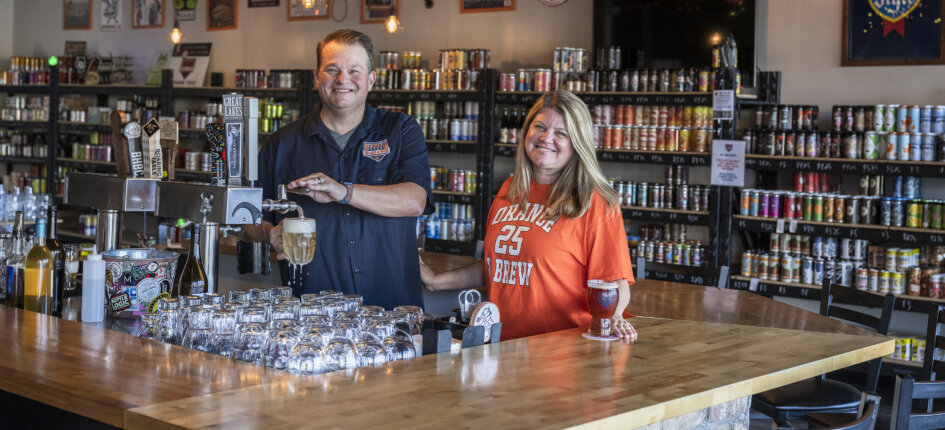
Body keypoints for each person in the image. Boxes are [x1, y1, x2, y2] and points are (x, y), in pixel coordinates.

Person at [420, 90, 636, 343]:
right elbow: (499, 265)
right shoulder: (509, 191)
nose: (546, 138)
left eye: (561, 133)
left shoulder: (594, 202)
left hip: (563, 353)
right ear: (526, 132)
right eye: (540, 127)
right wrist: (434, 280)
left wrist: (616, 315)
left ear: (578, 143)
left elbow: (613, 283)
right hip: (504, 347)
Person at [245, 29, 435, 310]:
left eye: (354, 71)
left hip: (392, 312)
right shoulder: (282, 143)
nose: (343, 79)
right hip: (312, 313)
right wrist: (269, 233)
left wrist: (343, 191)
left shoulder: (401, 130)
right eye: (332, 69)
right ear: (317, 77)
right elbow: (246, 217)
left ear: (371, 80)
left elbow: (414, 201)